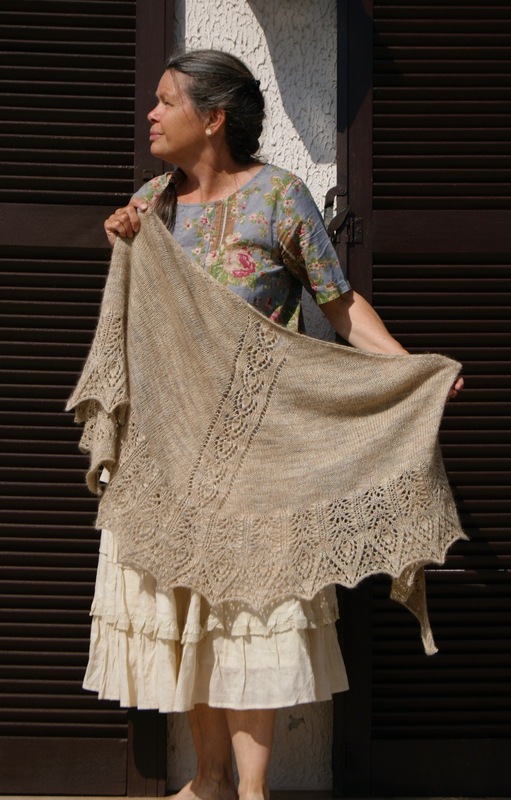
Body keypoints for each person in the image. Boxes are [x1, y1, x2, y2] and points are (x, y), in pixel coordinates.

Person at [95, 50, 463, 800]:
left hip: (259, 449)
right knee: (189, 608)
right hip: (171, 450)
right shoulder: (152, 203)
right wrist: (127, 246)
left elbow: (338, 304)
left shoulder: (279, 198)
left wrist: (407, 370)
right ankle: (208, 780)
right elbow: (142, 325)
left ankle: (252, 792)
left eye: (166, 101)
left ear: (213, 118)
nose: (151, 115)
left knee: (252, 612)